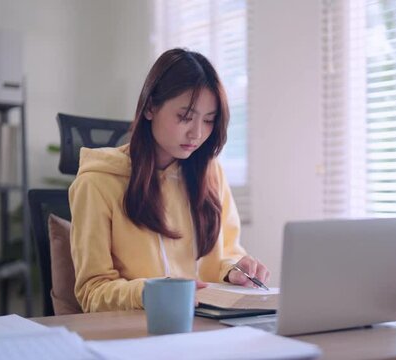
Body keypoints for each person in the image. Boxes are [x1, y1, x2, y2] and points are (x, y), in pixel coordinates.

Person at [69, 48, 270, 312]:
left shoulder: (211, 174)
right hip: (139, 335)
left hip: (205, 333)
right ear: (151, 107)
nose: (197, 133)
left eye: (209, 120)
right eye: (185, 117)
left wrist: (234, 270)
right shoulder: (98, 183)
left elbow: (226, 254)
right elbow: (92, 293)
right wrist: (149, 292)